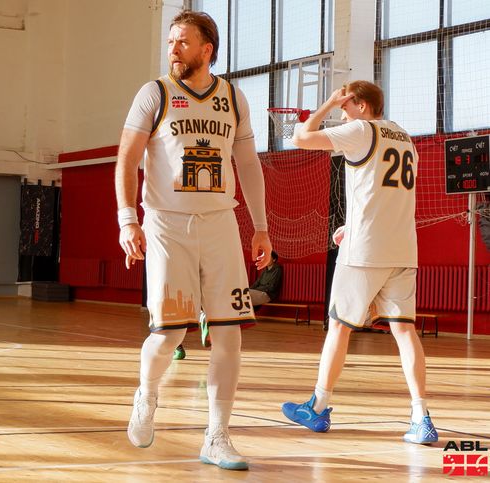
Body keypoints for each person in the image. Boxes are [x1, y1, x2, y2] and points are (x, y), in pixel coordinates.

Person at [115, 10, 272, 471]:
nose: (173, 49)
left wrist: (261, 226)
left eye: (182, 42)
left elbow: (249, 165)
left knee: (229, 335)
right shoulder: (155, 93)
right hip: (167, 225)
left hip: (221, 224)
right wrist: (128, 220)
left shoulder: (233, 98)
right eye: (170, 42)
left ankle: (217, 436)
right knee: (169, 334)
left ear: (207, 49)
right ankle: (147, 395)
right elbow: (126, 159)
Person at [282, 80, 438, 445]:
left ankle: (318, 407)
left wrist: (326, 102)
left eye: (346, 107)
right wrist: (351, 226)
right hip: (402, 248)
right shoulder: (404, 138)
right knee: (405, 331)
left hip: (365, 251)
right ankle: (421, 417)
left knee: (339, 327)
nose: (342, 114)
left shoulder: (361, 130)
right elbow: (384, 194)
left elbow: (299, 138)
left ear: (362, 105)